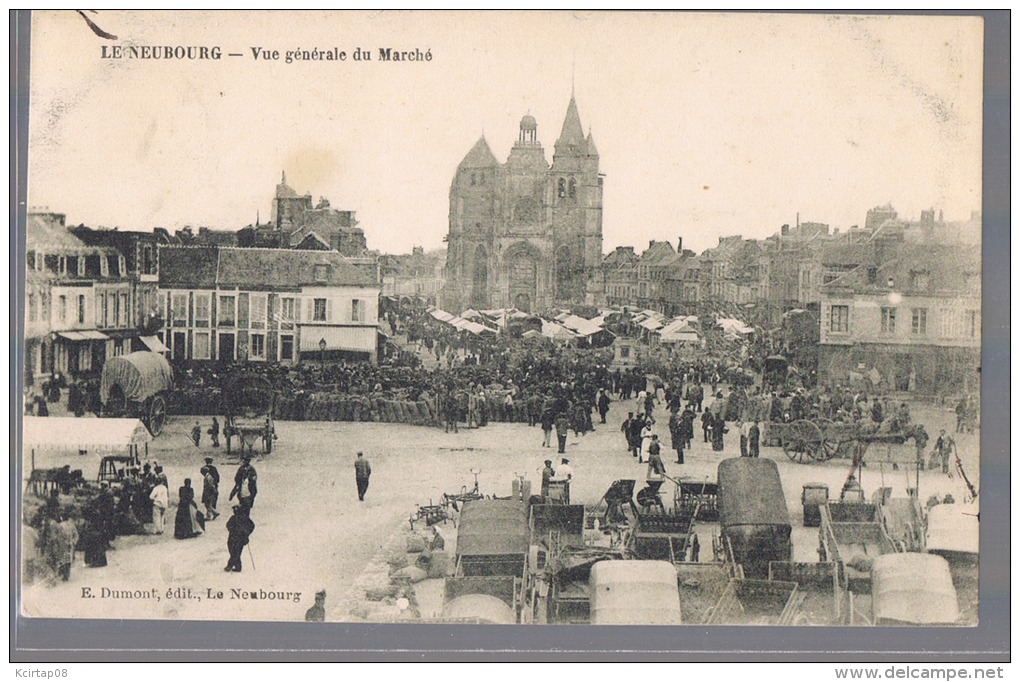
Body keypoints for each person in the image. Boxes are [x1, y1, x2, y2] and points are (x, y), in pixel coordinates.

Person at [225, 505, 255, 572]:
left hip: (238, 538)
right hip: (235, 537)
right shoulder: (237, 518)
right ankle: (237, 566)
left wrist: (246, 533)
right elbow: (228, 525)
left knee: (235, 552)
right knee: (235, 552)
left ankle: (231, 566)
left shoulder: (244, 518)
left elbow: (251, 526)